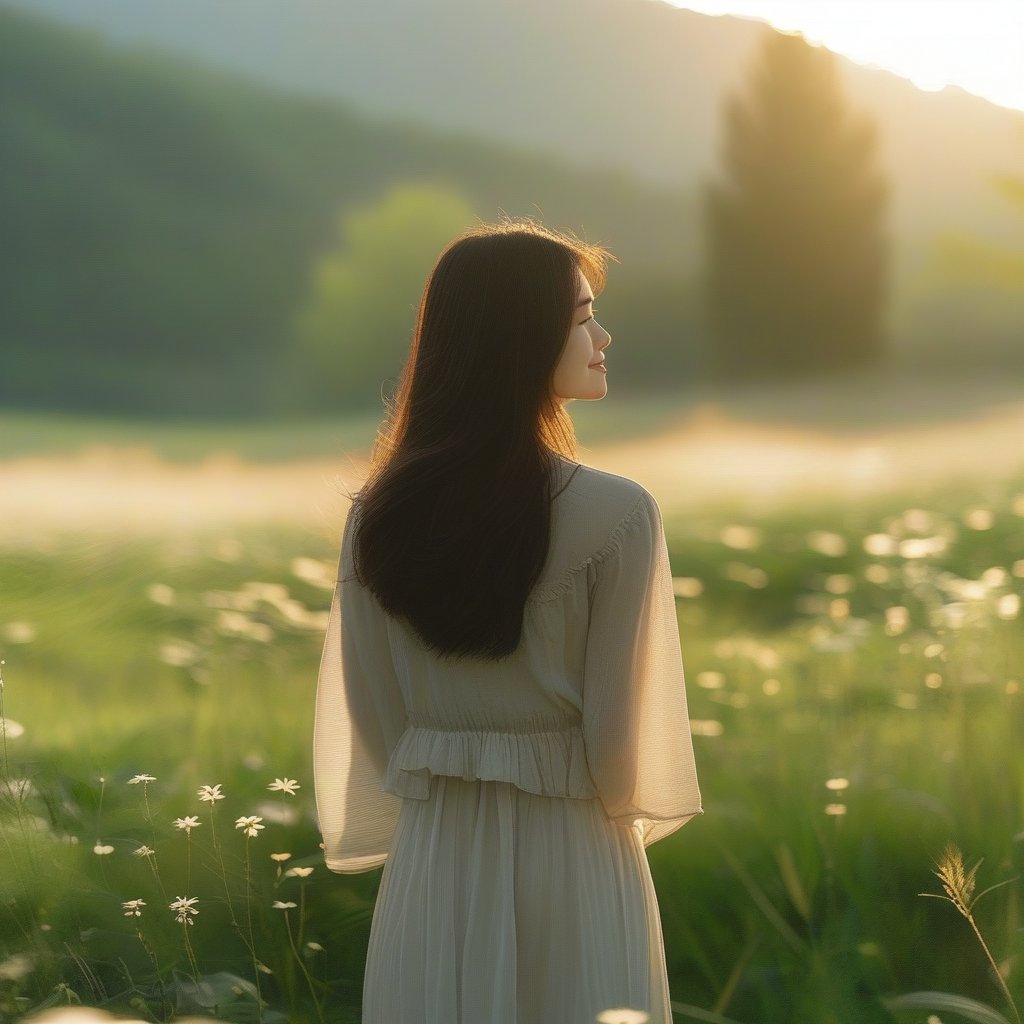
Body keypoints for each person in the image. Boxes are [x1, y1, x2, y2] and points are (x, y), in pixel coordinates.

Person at [313, 219, 702, 1024]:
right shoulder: (620, 515)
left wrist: (459, 760)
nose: (602, 334)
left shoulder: (377, 516)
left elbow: (378, 719)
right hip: (576, 860)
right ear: (521, 337)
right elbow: (617, 762)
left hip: (434, 861)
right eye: (581, 315)